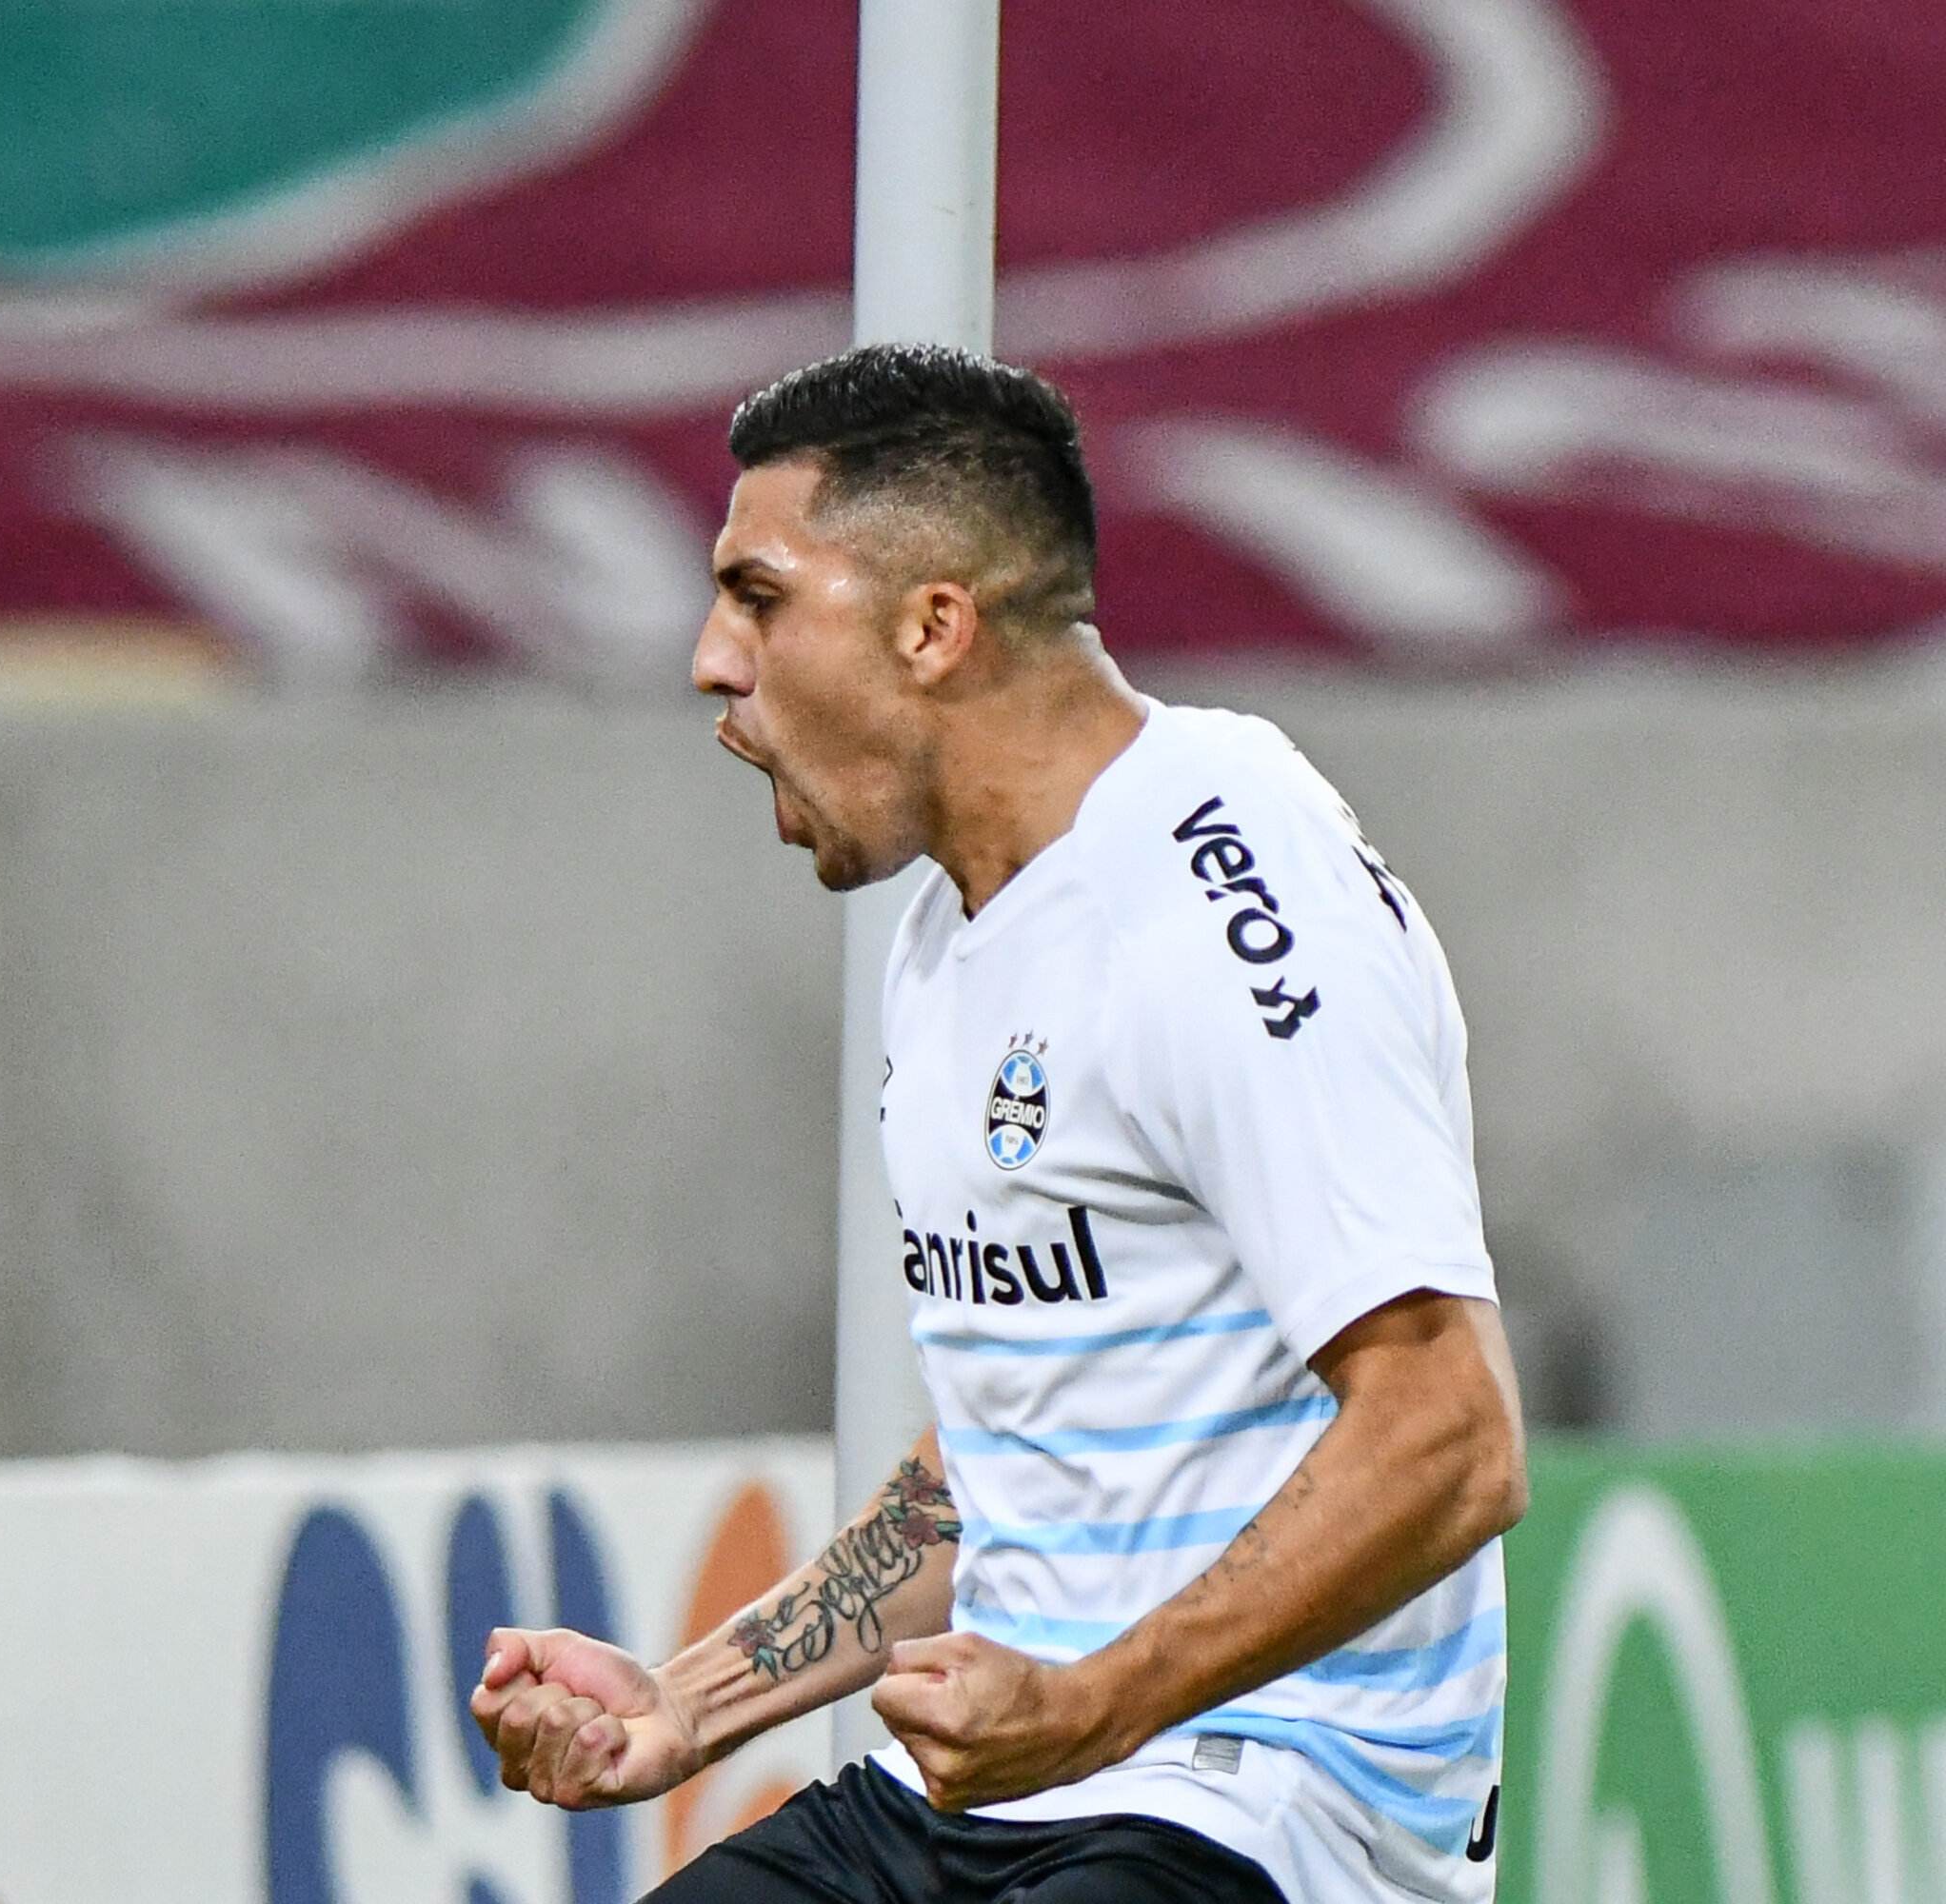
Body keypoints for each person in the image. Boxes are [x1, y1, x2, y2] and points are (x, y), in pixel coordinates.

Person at [468, 344, 1526, 1904]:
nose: (707, 658)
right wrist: (686, 1704)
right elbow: (1011, 1463)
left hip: (1265, 1810)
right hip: (990, 1800)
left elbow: (1451, 1434)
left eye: (758, 597)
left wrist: (1095, 1704)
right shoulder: (950, 937)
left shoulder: (1227, 885)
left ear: (933, 625)